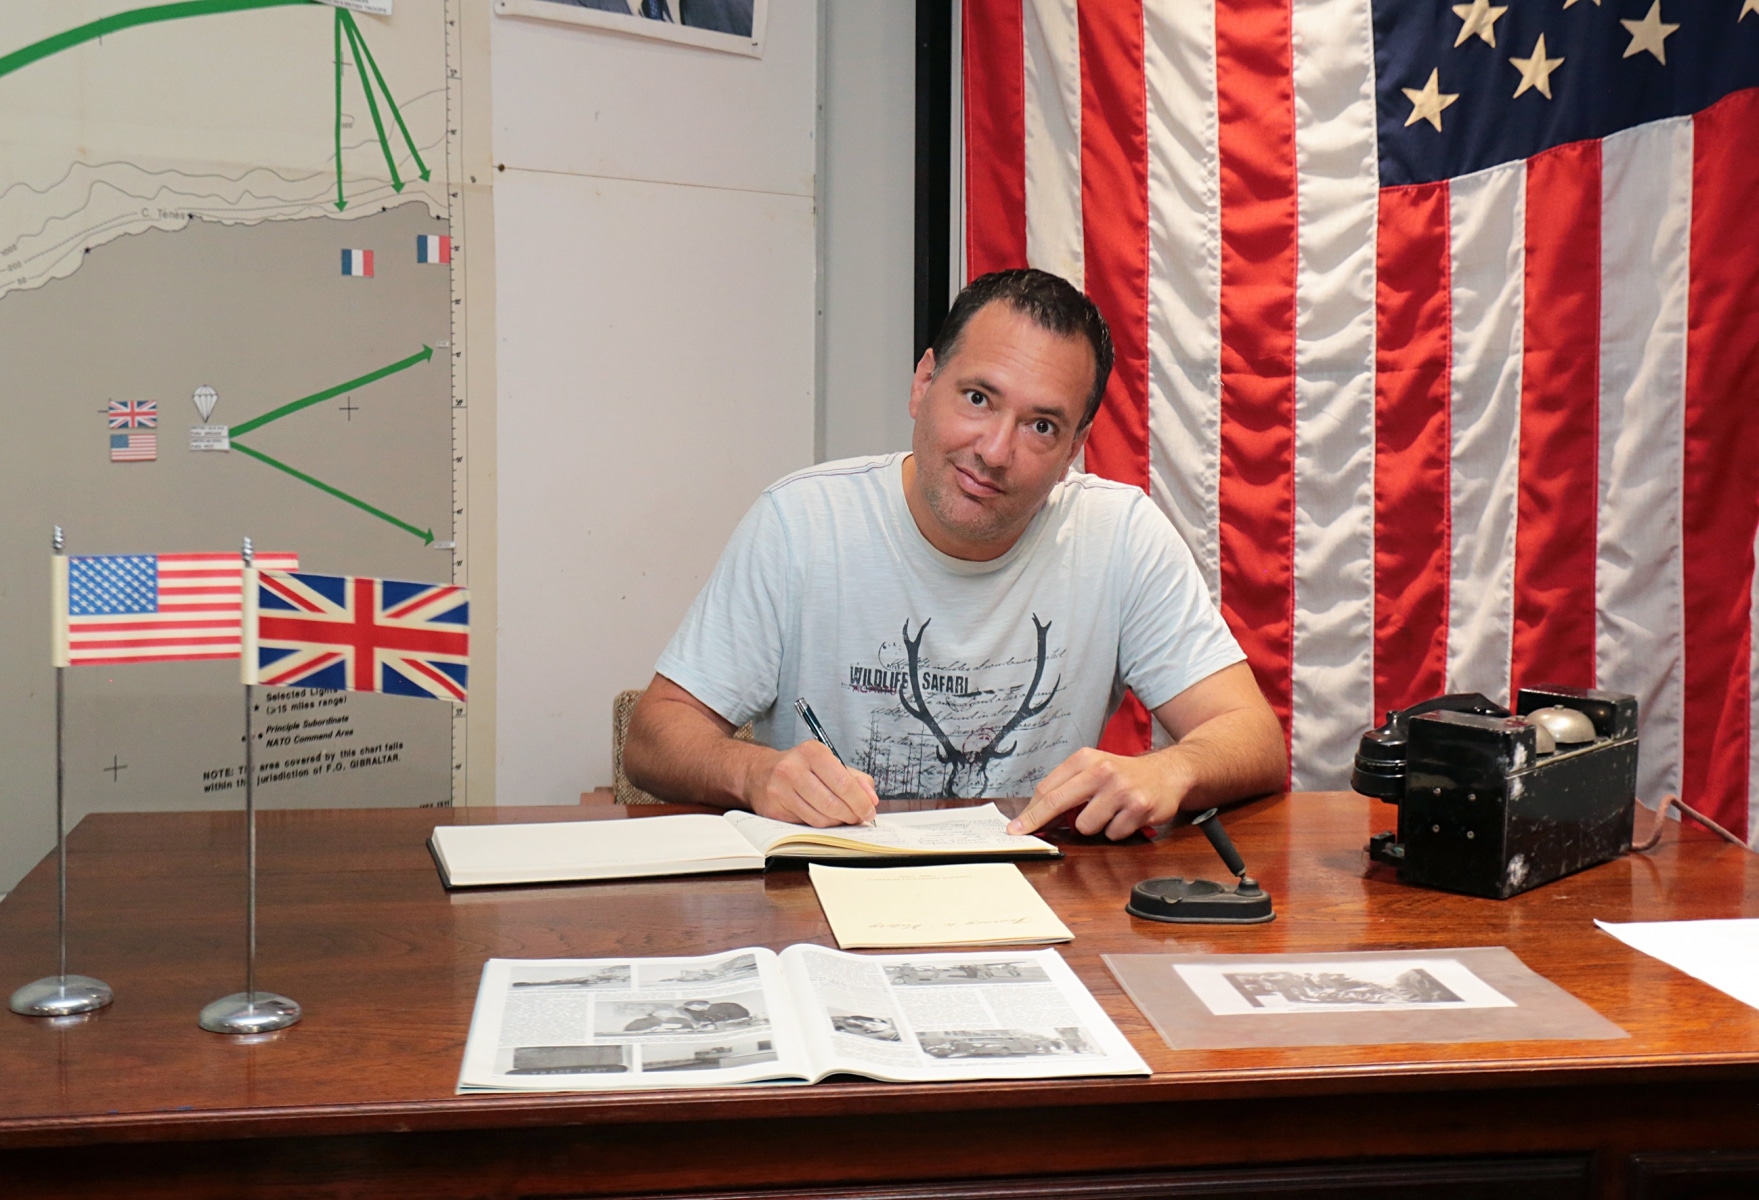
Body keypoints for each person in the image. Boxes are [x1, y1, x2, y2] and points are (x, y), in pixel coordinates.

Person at [624, 268, 1286, 839]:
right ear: (923, 383)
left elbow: (1254, 738)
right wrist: (753, 772)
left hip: (1041, 900)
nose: (994, 451)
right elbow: (654, 736)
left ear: (1074, 449)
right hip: (822, 892)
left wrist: (1170, 768)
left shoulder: (1122, 537)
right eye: (977, 399)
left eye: (1041, 426)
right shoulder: (800, 522)